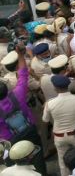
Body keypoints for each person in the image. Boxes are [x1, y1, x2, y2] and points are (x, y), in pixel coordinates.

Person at [0, 45, 46, 175]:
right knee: (37, 156)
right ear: (6, 90)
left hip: (10, 141)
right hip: (30, 131)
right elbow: (23, 72)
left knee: (16, 166)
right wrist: (19, 54)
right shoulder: (18, 94)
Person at [43, 73, 75, 176]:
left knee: (63, 163)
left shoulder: (50, 103)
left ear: (55, 88)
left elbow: (45, 121)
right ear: (68, 86)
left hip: (59, 137)